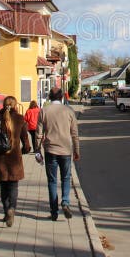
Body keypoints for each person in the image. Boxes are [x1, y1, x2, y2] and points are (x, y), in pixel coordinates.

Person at [36, 87, 80, 221]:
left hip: (50, 150)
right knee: (66, 178)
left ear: (49, 97)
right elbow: (74, 134)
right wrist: (76, 150)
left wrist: (37, 150)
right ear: (62, 97)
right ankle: (65, 202)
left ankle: (54, 212)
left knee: (52, 181)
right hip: (66, 150)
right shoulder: (69, 111)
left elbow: (39, 134)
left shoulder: (44, 111)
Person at [0, 96, 30, 227]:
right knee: (13, 186)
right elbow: (25, 140)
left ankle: (6, 211)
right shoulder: (20, 119)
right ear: (15, 105)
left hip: (0, 157)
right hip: (15, 158)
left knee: (3, 186)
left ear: (4, 105)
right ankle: (12, 209)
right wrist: (25, 150)